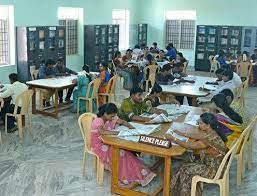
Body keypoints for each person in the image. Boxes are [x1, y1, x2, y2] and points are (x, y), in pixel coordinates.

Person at [91, 103, 156, 186]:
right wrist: (119, 132)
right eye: (111, 116)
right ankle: (129, 176)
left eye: (114, 116)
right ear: (105, 114)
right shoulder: (98, 120)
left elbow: (123, 122)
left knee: (125, 151)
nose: (113, 118)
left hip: (108, 141)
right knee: (120, 153)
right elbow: (102, 132)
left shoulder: (111, 118)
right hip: (99, 145)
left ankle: (139, 171)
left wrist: (132, 128)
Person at [166, 113, 228, 196]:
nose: (199, 124)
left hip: (214, 170)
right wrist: (183, 134)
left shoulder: (207, 140)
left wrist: (173, 138)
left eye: (201, 123)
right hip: (217, 164)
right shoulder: (212, 132)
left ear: (208, 125)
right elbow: (199, 136)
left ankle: (185, 193)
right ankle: (183, 190)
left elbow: (188, 146)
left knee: (184, 169)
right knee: (188, 161)